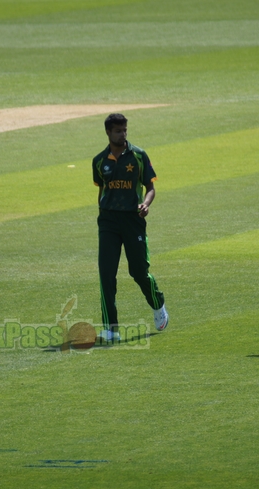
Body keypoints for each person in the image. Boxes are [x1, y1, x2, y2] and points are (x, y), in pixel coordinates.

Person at [92, 114, 169, 342]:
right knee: (106, 274)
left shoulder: (138, 155)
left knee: (138, 271)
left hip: (132, 220)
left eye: (125, 130)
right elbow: (102, 191)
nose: (123, 134)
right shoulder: (99, 161)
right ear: (108, 132)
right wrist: (103, 211)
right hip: (108, 221)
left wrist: (146, 203)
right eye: (118, 131)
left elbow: (150, 187)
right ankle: (110, 329)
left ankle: (157, 303)